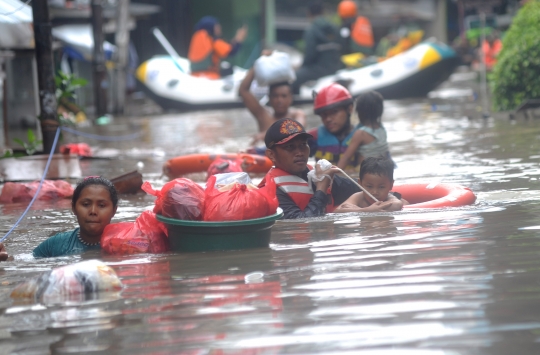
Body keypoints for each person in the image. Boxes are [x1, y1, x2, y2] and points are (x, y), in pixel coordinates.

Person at [258, 118, 362, 219]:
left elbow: (360, 187)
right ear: (271, 155)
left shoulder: (315, 173)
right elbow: (304, 224)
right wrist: (321, 189)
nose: (300, 152)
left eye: (303, 144)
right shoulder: (270, 191)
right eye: (290, 147)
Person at [33, 177, 118, 258]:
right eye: (86, 204)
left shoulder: (125, 244)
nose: (93, 211)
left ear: (114, 210)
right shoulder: (54, 245)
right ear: (74, 208)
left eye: (101, 205)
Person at [239, 51, 306, 147]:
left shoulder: (297, 115)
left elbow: (299, 130)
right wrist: (258, 64)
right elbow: (243, 90)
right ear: (269, 98)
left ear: (290, 98)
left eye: (283, 96)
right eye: (275, 96)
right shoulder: (263, 114)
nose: (279, 100)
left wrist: (264, 135)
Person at [292, 2, 342, 94]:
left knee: (294, 77)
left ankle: (295, 100)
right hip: (336, 67)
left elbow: (310, 55)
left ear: (309, 13)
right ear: (323, 12)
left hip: (319, 69)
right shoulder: (335, 28)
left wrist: (301, 67)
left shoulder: (312, 30)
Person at [308, 83, 359, 171]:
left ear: (350, 109)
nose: (328, 119)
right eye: (324, 114)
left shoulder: (363, 136)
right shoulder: (313, 137)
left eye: (334, 112)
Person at [336, 91, 391, 170]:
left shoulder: (361, 133)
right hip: (382, 170)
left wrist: (334, 174)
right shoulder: (382, 128)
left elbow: (346, 158)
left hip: (365, 171)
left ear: (359, 112)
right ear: (380, 111)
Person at [334, 156, 407, 213]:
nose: (375, 192)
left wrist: (359, 210)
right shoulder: (358, 197)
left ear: (391, 185)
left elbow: (397, 205)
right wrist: (366, 210)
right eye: (369, 186)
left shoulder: (390, 198)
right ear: (360, 184)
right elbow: (337, 211)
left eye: (381, 187)